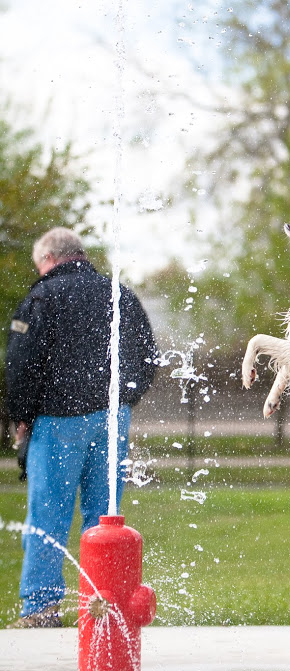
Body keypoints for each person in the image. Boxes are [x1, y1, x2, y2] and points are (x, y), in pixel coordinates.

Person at [5, 228, 157, 627]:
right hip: (112, 419)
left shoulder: (42, 297)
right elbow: (148, 354)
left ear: (49, 259)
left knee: (48, 518)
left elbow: (22, 363)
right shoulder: (119, 294)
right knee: (104, 518)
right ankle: (104, 606)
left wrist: (21, 416)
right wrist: (123, 401)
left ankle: (41, 609)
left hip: (57, 420)